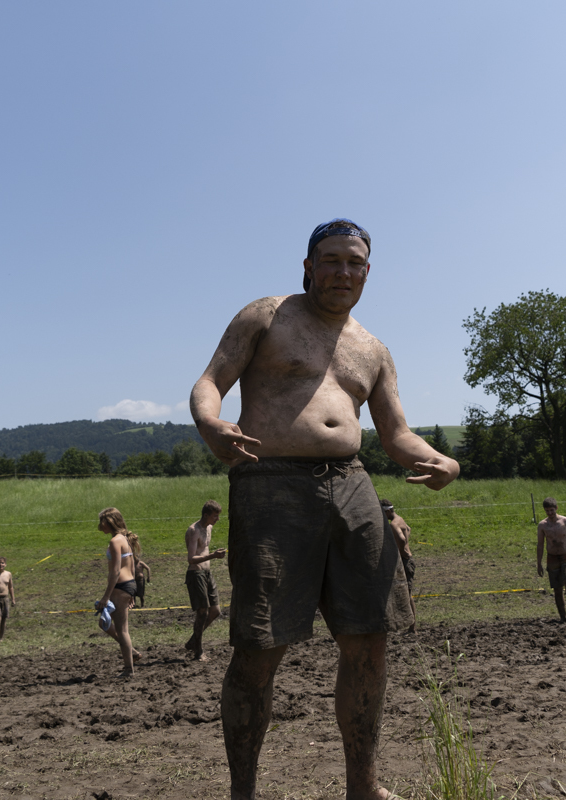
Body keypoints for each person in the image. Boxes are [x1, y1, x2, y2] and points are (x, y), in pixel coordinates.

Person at [190, 218, 459, 800]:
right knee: (260, 645)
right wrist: (210, 423)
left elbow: (396, 435)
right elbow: (210, 381)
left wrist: (443, 461)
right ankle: (243, 793)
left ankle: (364, 787)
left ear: (368, 271)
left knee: (371, 638)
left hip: (353, 484)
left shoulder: (374, 349)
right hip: (271, 484)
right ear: (309, 267)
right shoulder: (268, 315)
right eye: (331, 260)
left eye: (354, 262)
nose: (343, 271)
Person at [97, 507, 141, 678]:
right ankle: (132, 652)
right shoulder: (125, 539)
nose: (100, 525)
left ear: (110, 522)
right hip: (128, 586)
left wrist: (106, 596)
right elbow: (132, 566)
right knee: (104, 623)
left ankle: (129, 669)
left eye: (102, 522)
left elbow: (115, 572)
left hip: (120, 587)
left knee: (122, 630)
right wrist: (132, 592)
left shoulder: (115, 541)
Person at [184, 500, 227, 661]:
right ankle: (198, 651)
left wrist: (214, 555)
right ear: (206, 515)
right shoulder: (193, 531)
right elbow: (191, 558)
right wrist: (213, 556)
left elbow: (204, 550)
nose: (217, 519)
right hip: (196, 574)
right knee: (202, 612)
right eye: (215, 516)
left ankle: (193, 641)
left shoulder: (209, 528)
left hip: (208, 573)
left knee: (215, 611)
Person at [380, 499, 417, 632]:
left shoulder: (393, 524)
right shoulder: (400, 519)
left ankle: (412, 627)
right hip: (408, 560)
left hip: (405, 561)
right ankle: (410, 626)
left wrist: (401, 550)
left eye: (383, 513)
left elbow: (401, 538)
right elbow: (408, 529)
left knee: (407, 594)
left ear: (388, 511)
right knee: (406, 593)